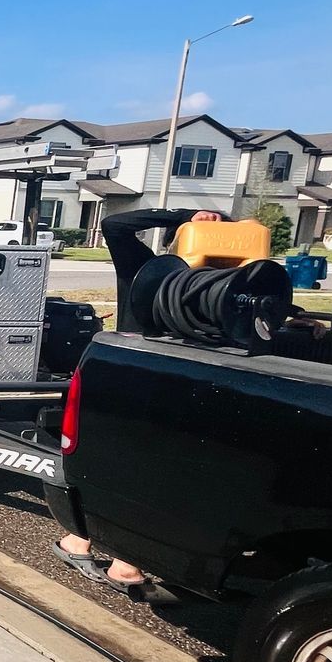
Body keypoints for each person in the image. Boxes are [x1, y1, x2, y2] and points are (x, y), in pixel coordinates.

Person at [51, 206, 224, 591]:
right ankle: (103, 550)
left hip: (181, 380)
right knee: (119, 462)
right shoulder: (148, 268)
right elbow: (114, 225)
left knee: (151, 468)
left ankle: (97, 547)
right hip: (130, 373)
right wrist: (186, 214)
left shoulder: (227, 282)